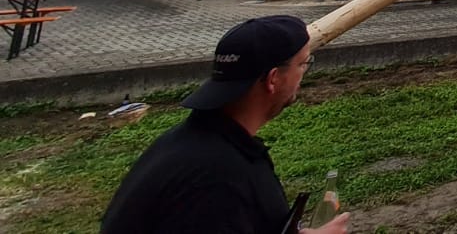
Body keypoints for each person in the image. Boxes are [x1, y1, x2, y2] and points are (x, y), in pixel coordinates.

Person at [101, 16, 351, 234]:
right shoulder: (216, 180)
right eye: (304, 64)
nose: (304, 74)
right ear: (273, 79)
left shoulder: (190, 143)